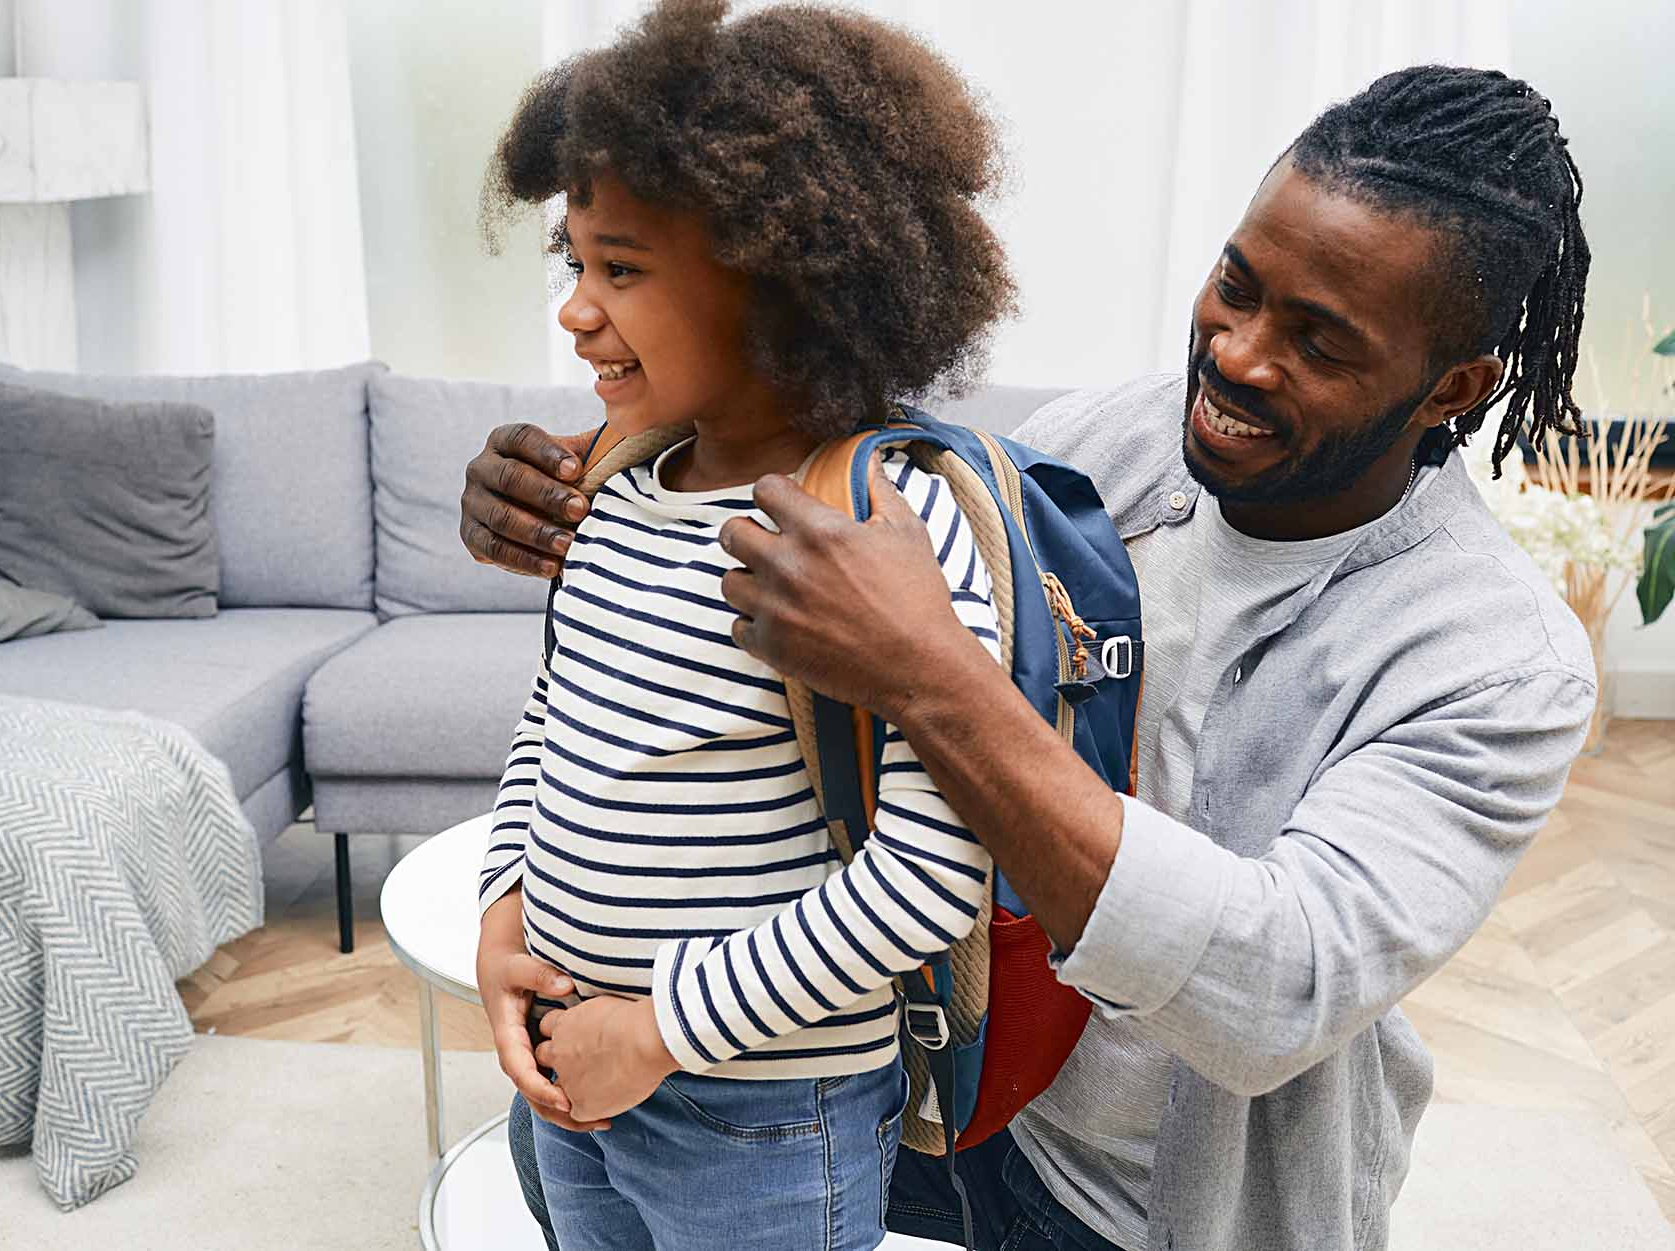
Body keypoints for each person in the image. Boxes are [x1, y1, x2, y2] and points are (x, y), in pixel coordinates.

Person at [464, 61, 1600, 1251]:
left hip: (1146, 1203)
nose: (1239, 357)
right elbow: (811, 461)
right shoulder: (1092, 449)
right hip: (943, 1114)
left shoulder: (1496, 663)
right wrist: (585, 472)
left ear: (1454, 387)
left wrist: (932, 677)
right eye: (1236, 285)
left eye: (1319, 342)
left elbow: (1272, 991)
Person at [470, 3, 1015, 1248]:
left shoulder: (886, 528)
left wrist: (657, 1029)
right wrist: (506, 917)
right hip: (568, 1080)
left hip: (766, 1116)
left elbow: (933, 880)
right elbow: (556, 725)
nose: (574, 310)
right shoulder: (614, 487)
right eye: (574, 264)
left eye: (622, 269)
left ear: (781, 280)